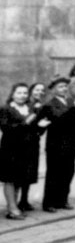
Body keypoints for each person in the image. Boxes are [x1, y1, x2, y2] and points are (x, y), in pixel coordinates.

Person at [0, 82, 40, 219]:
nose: (22, 96)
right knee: (10, 179)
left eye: (25, 93)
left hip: (25, 149)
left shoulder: (29, 108)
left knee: (18, 178)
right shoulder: (6, 109)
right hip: (10, 148)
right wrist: (26, 123)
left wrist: (39, 126)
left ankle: (13, 206)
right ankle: (12, 208)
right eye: (19, 93)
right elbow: (6, 128)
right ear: (13, 94)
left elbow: (34, 128)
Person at [42, 76, 75, 212]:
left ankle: (62, 200)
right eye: (60, 87)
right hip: (55, 144)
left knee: (68, 172)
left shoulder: (70, 101)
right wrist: (74, 106)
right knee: (54, 173)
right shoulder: (49, 105)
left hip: (70, 144)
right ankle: (49, 203)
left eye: (65, 87)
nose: (63, 89)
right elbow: (59, 119)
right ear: (53, 90)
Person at [19, 81, 48, 211]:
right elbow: (23, 123)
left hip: (33, 142)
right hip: (20, 142)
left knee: (30, 172)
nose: (39, 93)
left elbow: (42, 126)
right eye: (37, 90)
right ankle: (16, 201)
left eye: (42, 91)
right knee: (20, 172)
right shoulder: (24, 104)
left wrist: (40, 129)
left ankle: (24, 200)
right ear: (31, 91)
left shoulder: (41, 106)